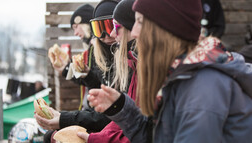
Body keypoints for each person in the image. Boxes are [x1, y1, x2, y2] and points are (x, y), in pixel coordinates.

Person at [87, 0, 252, 142]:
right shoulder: (179, 74)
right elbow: (160, 138)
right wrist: (122, 109)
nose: (135, 31)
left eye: (140, 21)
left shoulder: (203, 88)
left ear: (164, 28)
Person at [35, 1, 118, 142]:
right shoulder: (97, 50)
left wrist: (64, 118)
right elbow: (98, 82)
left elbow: (100, 85)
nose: (75, 33)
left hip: (100, 119)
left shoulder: (101, 50)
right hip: (95, 115)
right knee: (51, 135)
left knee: (51, 136)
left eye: (76, 27)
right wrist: (69, 70)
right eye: (99, 29)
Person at [78, 0, 137, 142]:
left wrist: (65, 119)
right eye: (99, 29)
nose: (107, 34)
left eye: (112, 26)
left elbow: (134, 122)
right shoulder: (103, 57)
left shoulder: (133, 62)